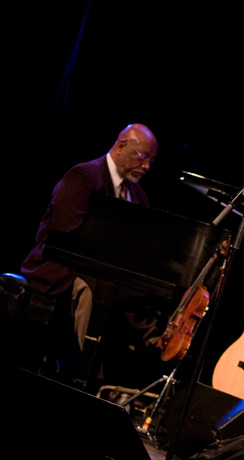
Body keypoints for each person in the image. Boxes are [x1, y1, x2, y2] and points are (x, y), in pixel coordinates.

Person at [20, 123, 158, 375]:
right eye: (143, 158)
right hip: (62, 267)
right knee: (91, 288)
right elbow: (67, 233)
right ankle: (88, 377)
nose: (147, 167)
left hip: (108, 274)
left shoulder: (138, 196)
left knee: (147, 296)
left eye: (151, 161)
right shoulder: (83, 176)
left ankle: (150, 371)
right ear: (121, 145)